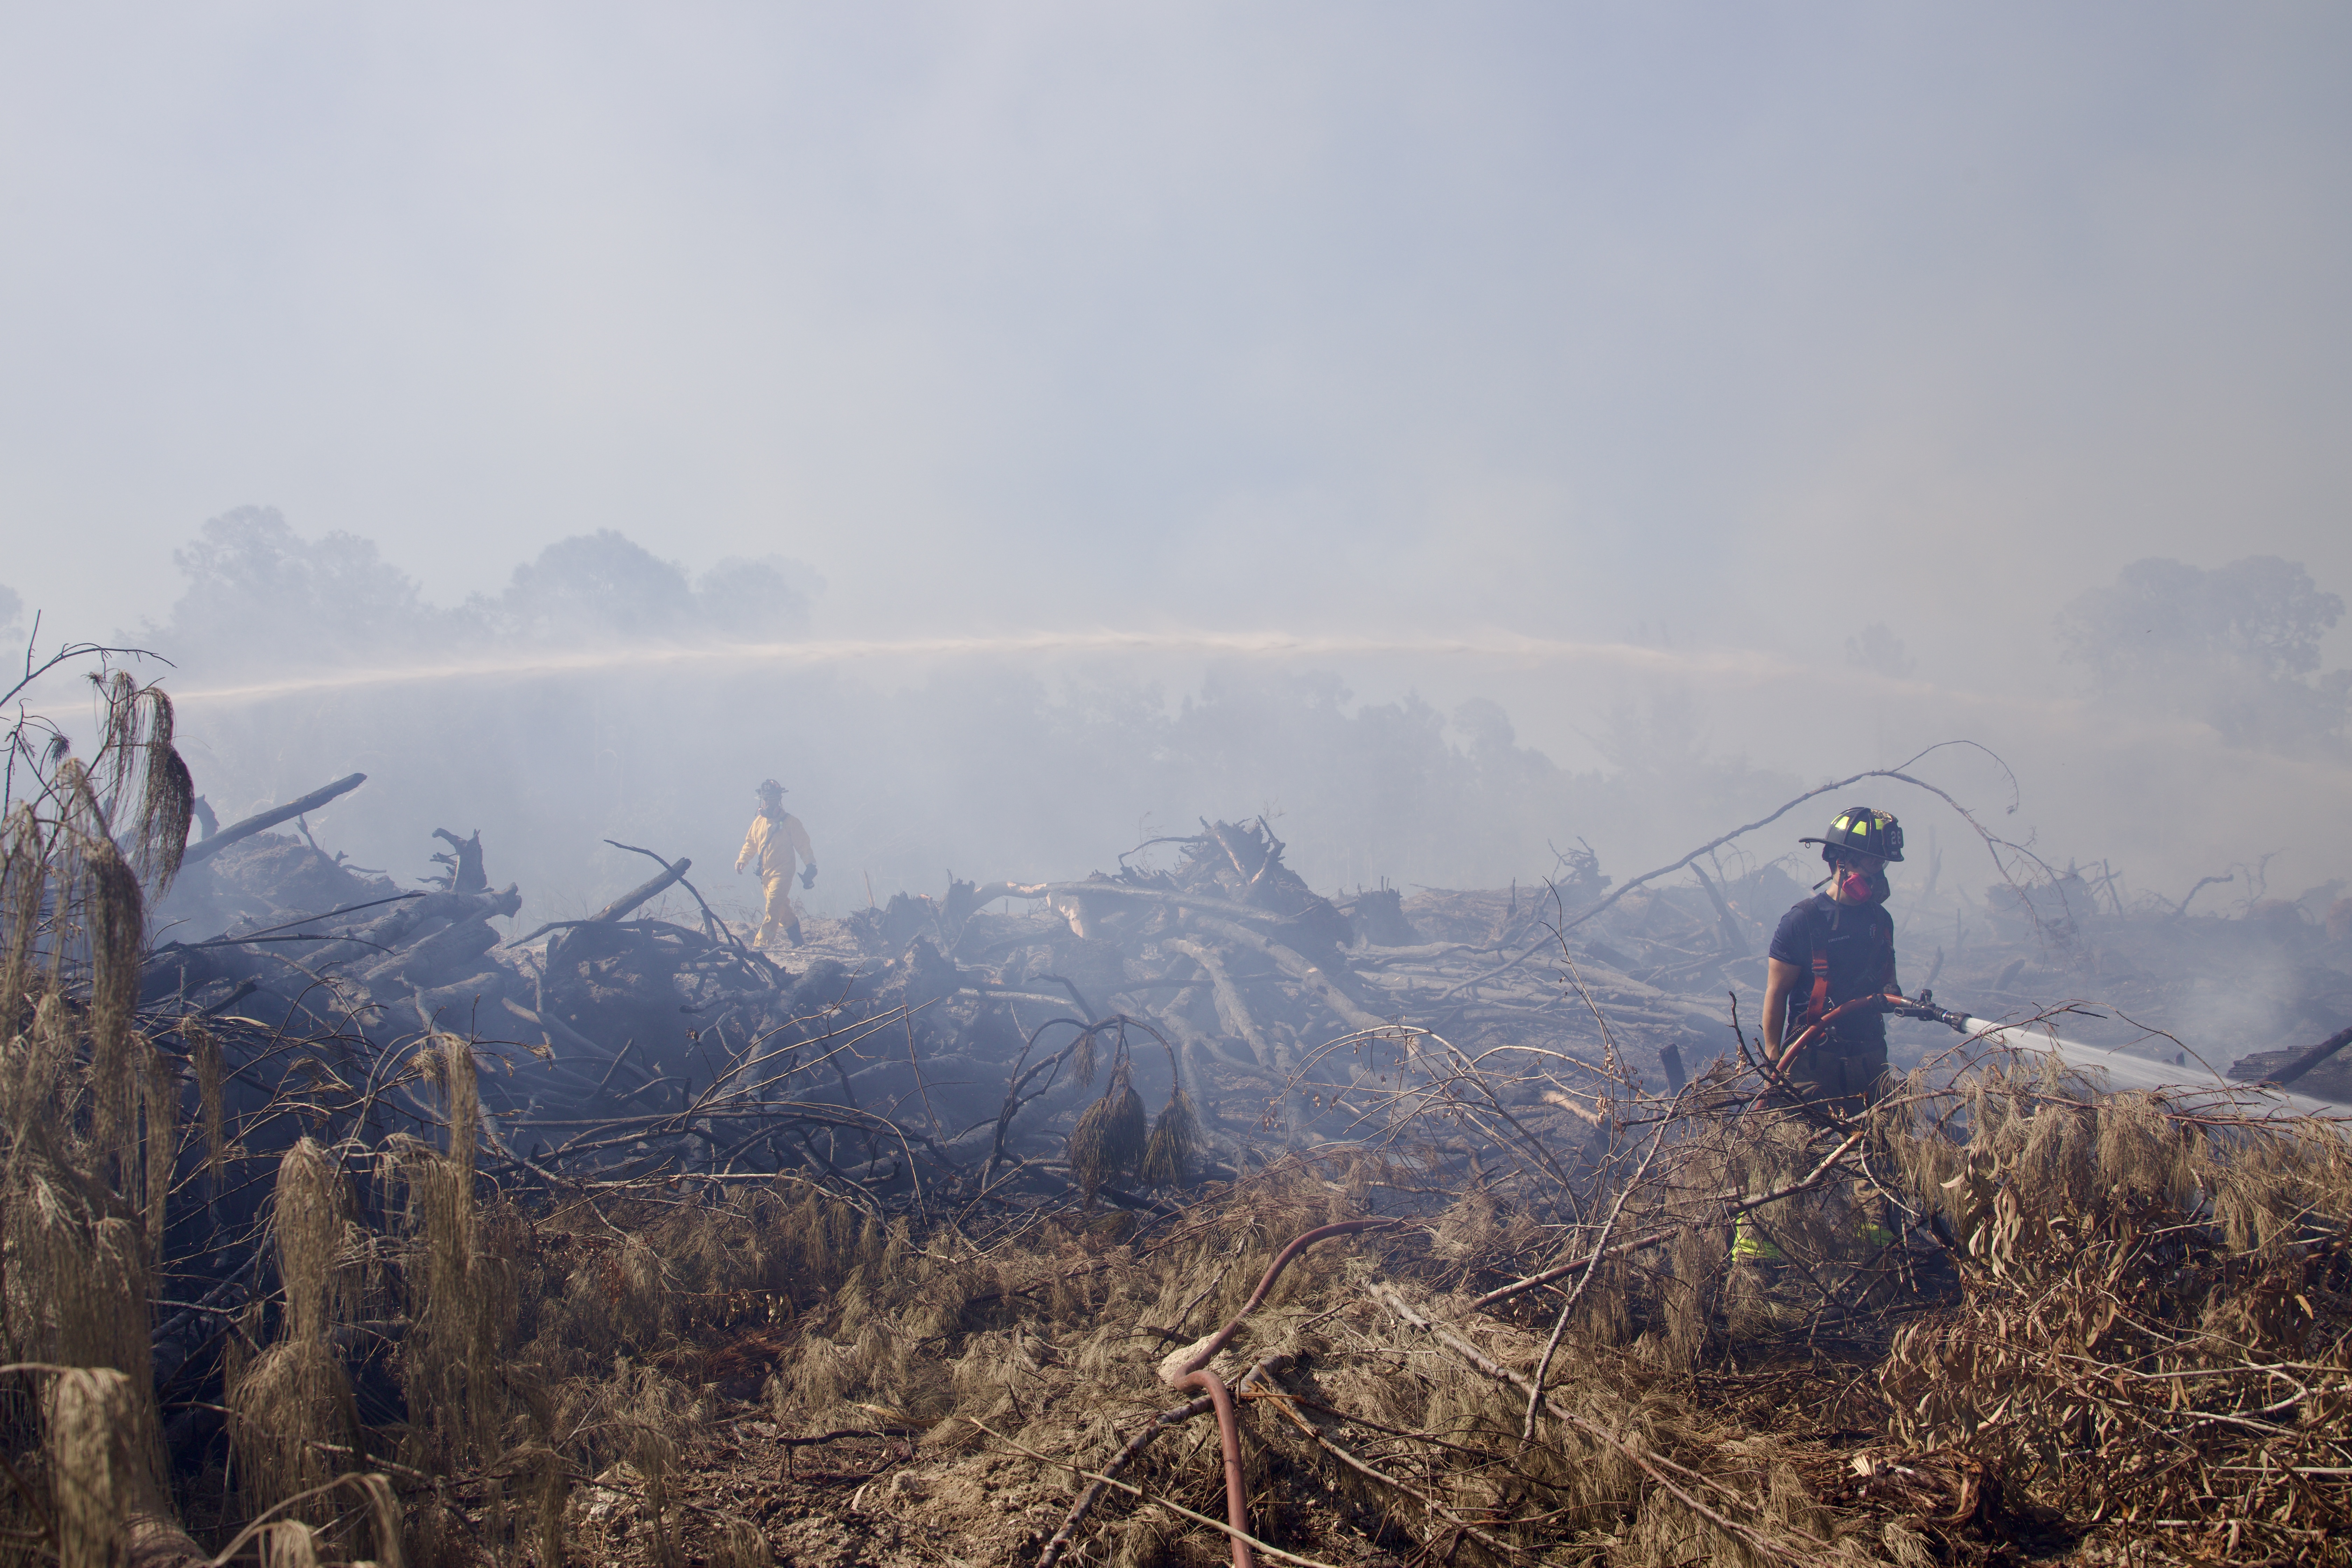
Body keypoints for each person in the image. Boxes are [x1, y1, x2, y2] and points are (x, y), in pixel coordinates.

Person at [1760, 806, 1904, 1115]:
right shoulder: (1803, 921)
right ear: (1841, 860)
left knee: (1884, 1152)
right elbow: (1776, 992)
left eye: (1882, 864)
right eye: (1872, 862)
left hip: (1870, 1060)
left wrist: (1892, 995)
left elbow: (1887, 978)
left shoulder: (1881, 919)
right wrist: (1775, 1062)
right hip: (1814, 1063)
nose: (1878, 874)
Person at [735, 778, 817, 948]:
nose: (769, 804)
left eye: (773, 800)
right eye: (766, 800)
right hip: (765, 873)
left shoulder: (791, 823)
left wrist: (811, 865)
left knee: (772, 906)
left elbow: (804, 845)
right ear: (762, 801)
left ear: (779, 801)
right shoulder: (758, 823)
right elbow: (750, 843)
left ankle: (761, 945)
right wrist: (743, 859)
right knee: (781, 910)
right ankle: (798, 941)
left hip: (783, 872)